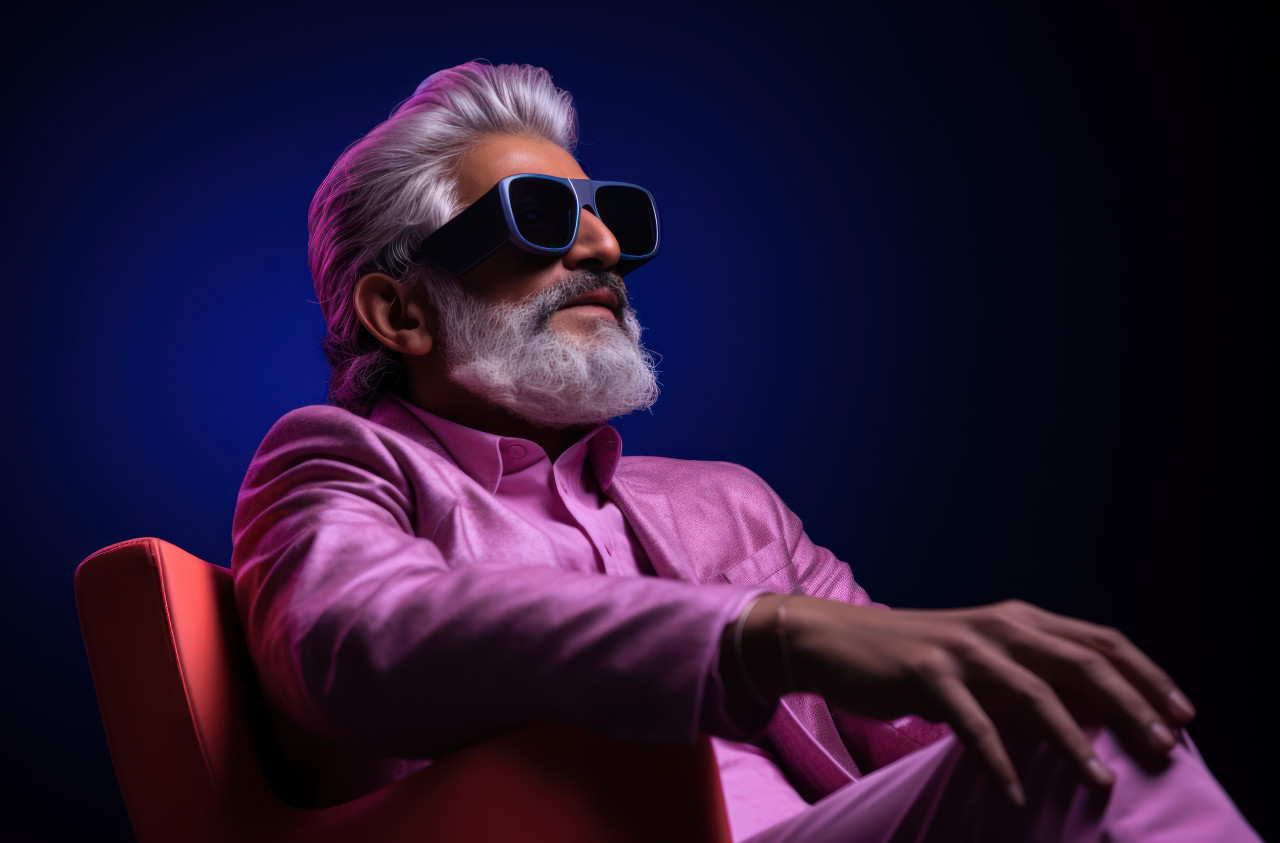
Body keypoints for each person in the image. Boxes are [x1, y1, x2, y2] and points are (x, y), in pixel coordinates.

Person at [231, 61, 1258, 841]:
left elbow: (936, 727)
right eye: (538, 219)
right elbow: (355, 638)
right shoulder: (335, 463)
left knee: (1088, 734)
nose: (600, 250)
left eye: (609, 218)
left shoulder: (731, 504)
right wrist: (758, 635)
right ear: (399, 310)